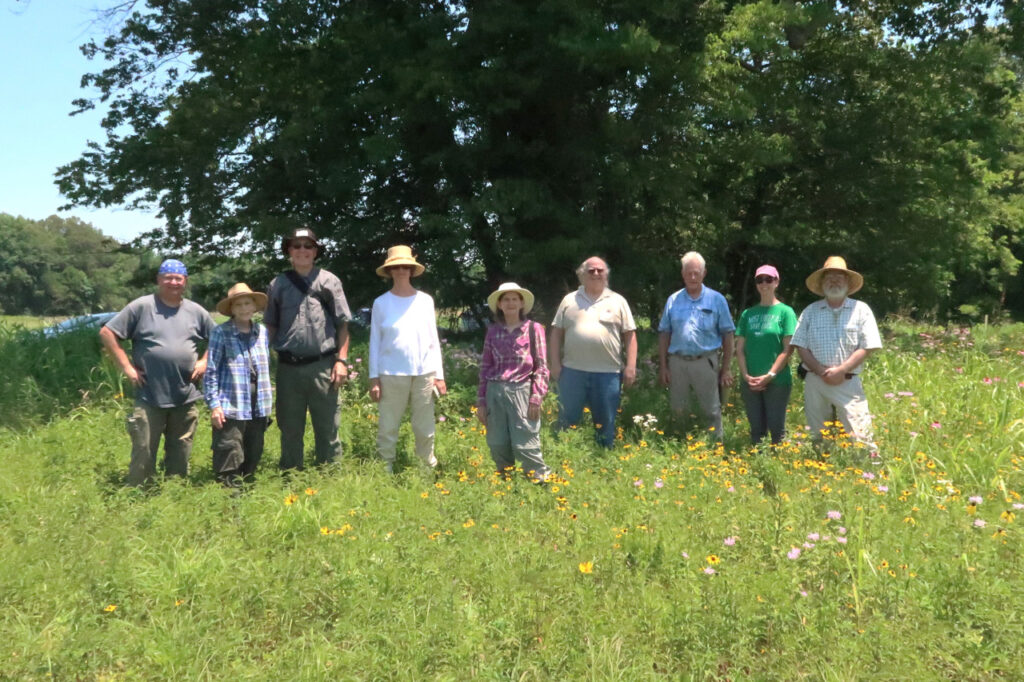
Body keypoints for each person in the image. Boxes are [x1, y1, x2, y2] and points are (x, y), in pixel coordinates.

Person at [99, 259, 214, 485]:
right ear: (159, 280)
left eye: (178, 278)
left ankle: (174, 494)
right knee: (143, 451)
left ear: (185, 282)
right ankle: (138, 496)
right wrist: (127, 368)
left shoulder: (195, 311)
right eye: (168, 277)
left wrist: (204, 362)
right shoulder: (142, 307)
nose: (173, 282)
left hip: (185, 395)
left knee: (181, 450)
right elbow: (107, 333)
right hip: (149, 394)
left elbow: (219, 338)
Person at [264, 227, 353, 470]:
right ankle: (292, 478)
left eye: (308, 246)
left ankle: (329, 479)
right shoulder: (277, 284)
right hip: (288, 369)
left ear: (316, 251)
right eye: (297, 245)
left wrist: (341, 361)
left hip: (323, 366)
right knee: (290, 428)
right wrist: (259, 355)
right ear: (289, 251)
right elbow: (270, 325)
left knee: (328, 428)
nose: (302, 250)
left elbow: (343, 325)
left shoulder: (329, 281)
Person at [790, 256, 882, 453]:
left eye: (839, 276)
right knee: (819, 433)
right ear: (822, 283)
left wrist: (841, 370)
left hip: (848, 382)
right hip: (816, 380)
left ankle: (869, 472)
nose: (834, 280)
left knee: (860, 433)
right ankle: (822, 470)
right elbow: (800, 346)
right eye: (829, 277)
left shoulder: (861, 310)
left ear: (848, 282)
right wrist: (821, 371)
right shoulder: (810, 311)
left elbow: (869, 346)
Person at [368, 245, 446, 473]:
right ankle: (385, 467)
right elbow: (375, 341)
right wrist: (374, 377)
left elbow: (433, 339)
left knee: (424, 426)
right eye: (396, 267)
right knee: (388, 426)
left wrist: (439, 376)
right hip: (390, 373)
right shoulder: (381, 303)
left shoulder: (425, 300)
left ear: (412, 270)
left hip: (424, 373)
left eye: (406, 266)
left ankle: (426, 468)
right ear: (390, 271)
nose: (401, 270)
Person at [549, 256, 637, 448]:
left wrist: (631, 366)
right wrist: (555, 363)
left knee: (606, 423)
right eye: (591, 270)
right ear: (582, 275)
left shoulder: (618, 301)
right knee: (567, 420)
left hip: (608, 374)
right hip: (572, 372)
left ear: (606, 274)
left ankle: (604, 461)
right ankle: (564, 457)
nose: (596, 273)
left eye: (600, 270)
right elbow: (556, 334)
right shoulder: (569, 300)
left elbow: (630, 336)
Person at [657, 251, 735, 441]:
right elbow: (664, 333)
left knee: (711, 410)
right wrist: (664, 366)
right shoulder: (673, 300)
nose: (692, 277)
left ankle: (715, 448)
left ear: (704, 273)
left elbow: (728, 335)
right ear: (683, 274)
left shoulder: (717, 300)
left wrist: (726, 369)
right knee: (678, 409)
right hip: (677, 363)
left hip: (705, 362)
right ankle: (680, 446)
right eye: (689, 273)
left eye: (696, 273)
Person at [477, 282, 551, 481]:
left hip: (522, 391)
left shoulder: (534, 330)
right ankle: (507, 485)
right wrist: (481, 402)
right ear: (499, 305)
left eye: (514, 299)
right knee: (497, 443)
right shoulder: (492, 331)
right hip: (495, 392)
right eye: (506, 299)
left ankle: (541, 486)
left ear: (521, 303)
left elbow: (542, 367)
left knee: (526, 445)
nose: (510, 303)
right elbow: (485, 368)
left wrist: (536, 397)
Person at [204, 283, 273, 486]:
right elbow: (211, 371)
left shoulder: (261, 332)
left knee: (253, 453)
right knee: (229, 453)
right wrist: (214, 406)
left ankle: (247, 497)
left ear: (255, 306)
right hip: (230, 405)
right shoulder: (221, 333)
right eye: (239, 305)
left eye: (248, 303)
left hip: (258, 405)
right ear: (232, 309)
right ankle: (229, 502)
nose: (244, 308)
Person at [735, 265, 797, 445]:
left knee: (777, 430)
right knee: (756, 430)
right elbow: (739, 349)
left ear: (776, 282)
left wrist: (770, 375)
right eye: (759, 280)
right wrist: (746, 376)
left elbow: (788, 349)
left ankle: (780, 465)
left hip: (777, 381)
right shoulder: (748, 314)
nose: (764, 283)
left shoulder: (786, 312)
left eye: (768, 279)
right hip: (750, 381)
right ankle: (758, 466)